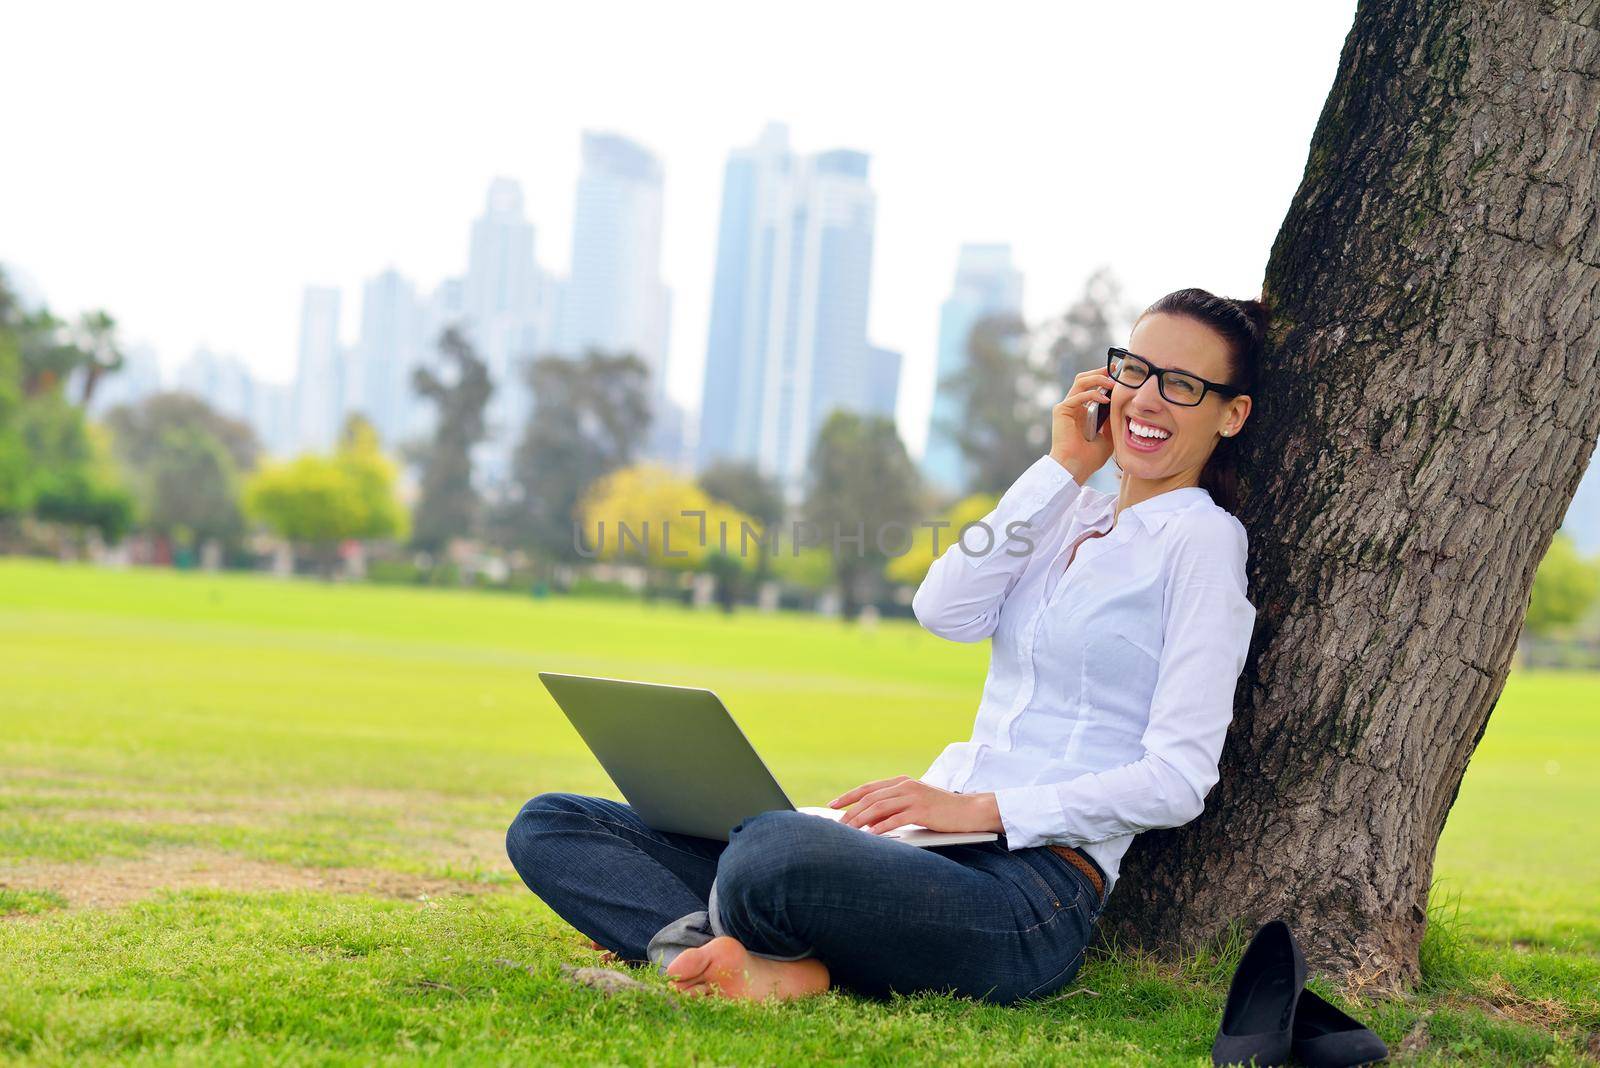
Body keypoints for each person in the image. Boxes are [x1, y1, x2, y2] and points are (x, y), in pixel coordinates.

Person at [505, 287, 1262, 1005]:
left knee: (770, 855)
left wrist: (980, 810)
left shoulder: (1202, 542)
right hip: (920, 849)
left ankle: (757, 955)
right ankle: (734, 959)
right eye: (1135, 369)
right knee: (553, 824)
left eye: (1184, 385)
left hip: (1029, 891)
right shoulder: (1064, 511)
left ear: (1231, 416)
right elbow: (943, 609)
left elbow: (1178, 779)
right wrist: (1063, 468)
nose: (1148, 397)